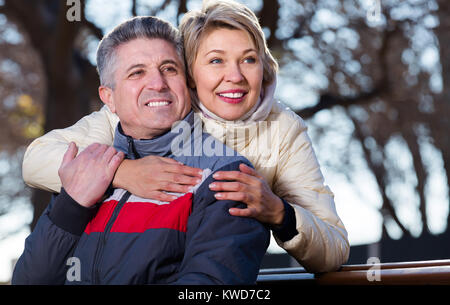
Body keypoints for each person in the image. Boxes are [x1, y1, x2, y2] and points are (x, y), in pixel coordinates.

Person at [22, 0, 349, 272]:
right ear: (191, 72)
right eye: (216, 60)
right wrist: (124, 172)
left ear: (264, 67)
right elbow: (36, 159)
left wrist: (280, 213)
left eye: (248, 59)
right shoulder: (145, 110)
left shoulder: (282, 130)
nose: (234, 76)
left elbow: (333, 248)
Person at [12, 16, 270, 285]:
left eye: (169, 68)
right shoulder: (88, 166)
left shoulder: (223, 174)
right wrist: (71, 206)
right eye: (137, 72)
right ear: (108, 98)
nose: (158, 83)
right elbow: (29, 280)